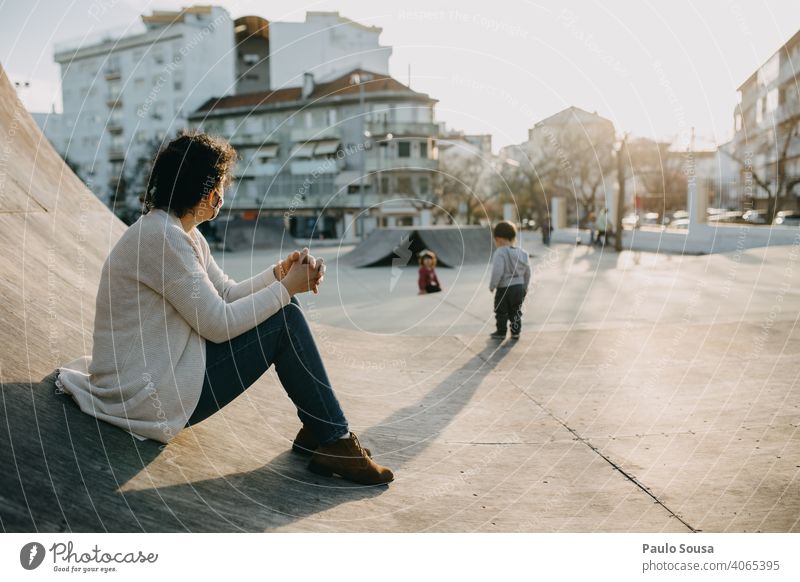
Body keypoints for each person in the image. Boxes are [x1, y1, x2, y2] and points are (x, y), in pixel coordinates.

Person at [55, 131, 393, 486]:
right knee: (286, 317)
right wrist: (285, 288)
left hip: (161, 378)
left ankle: (320, 427)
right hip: (149, 397)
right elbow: (219, 324)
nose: (224, 192)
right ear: (204, 189)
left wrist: (277, 276)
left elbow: (227, 295)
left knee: (285, 308)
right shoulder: (161, 237)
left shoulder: (183, 234)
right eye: (221, 182)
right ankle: (334, 439)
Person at [489, 221, 531, 340]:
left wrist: (493, 285)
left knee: (501, 311)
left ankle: (501, 332)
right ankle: (516, 332)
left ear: (498, 239)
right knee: (516, 310)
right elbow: (528, 271)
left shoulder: (500, 252)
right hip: (519, 287)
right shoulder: (523, 253)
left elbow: (498, 271)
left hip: (504, 288)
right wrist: (525, 285)